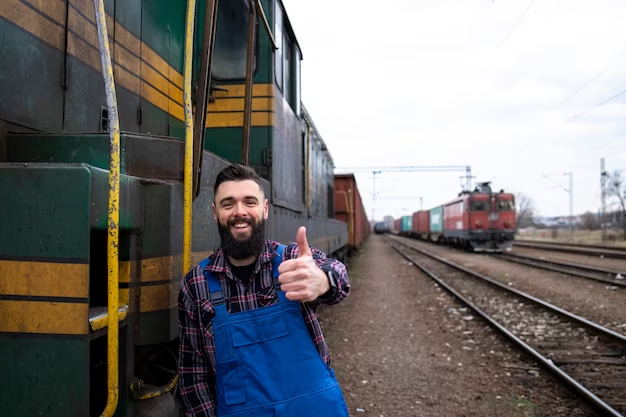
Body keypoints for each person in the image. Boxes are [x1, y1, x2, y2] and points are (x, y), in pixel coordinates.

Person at [177, 164, 351, 417]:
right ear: (215, 213)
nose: (240, 212)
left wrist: (323, 280)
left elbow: (338, 275)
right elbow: (194, 378)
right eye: (228, 204)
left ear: (265, 209)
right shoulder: (196, 285)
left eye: (250, 202)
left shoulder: (291, 259)